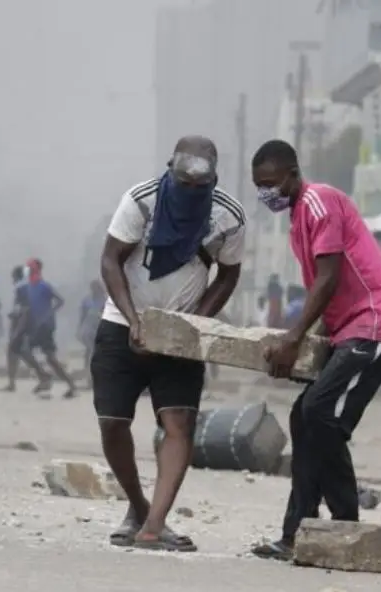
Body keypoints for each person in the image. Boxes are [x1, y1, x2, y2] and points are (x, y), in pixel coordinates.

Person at [249, 138, 381, 561]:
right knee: (305, 417)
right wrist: (304, 346)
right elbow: (325, 295)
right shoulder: (299, 217)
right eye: (258, 186)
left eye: (269, 183)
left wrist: (292, 338)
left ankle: (342, 525)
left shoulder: (318, 203)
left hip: (376, 323)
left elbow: (328, 281)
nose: (265, 193)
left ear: (291, 173)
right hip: (350, 329)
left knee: (321, 413)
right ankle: (297, 531)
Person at [95, 135, 245, 552]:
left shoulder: (228, 217)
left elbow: (229, 275)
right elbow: (110, 259)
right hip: (121, 322)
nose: (193, 193)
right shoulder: (141, 202)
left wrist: (195, 322)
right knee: (112, 423)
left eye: (203, 186)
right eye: (185, 184)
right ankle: (139, 506)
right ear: (170, 171)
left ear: (214, 180)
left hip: (180, 333)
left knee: (178, 424)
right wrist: (133, 320)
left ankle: (153, 526)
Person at [19, 258, 78, 398]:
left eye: (30, 267)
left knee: (45, 356)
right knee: (28, 351)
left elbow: (60, 300)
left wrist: (49, 313)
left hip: (45, 326)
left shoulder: (44, 286)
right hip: (36, 325)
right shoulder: (29, 287)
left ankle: (55, 380)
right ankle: (46, 378)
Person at [4, 264, 50, 391]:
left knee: (20, 352)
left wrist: (19, 329)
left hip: (22, 325)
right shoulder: (25, 287)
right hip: (22, 323)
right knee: (18, 352)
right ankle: (13, 382)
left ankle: (43, 376)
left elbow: (25, 309)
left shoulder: (21, 288)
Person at [77, 279, 107, 370]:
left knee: (99, 348)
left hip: (100, 327)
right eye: (93, 288)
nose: (94, 290)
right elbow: (83, 314)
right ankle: (87, 367)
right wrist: (79, 328)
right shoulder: (87, 300)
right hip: (89, 327)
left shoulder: (105, 300)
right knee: (89, 348)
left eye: (96, 288)